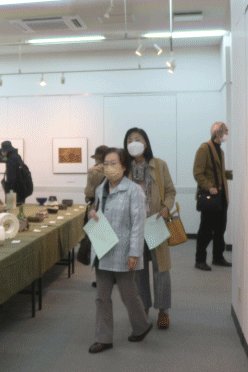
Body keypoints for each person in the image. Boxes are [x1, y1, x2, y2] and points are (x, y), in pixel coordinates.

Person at [87, 147, 152, 354]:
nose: (108, 167)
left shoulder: (134, 190)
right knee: (102, 297)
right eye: (105, 164)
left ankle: (141, 326)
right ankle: (103, 338)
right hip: (103, 247)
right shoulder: (101, 189)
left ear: (123, 166)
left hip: (124, 251)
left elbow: (138, 225)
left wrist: (134, 253)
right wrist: (93, 214)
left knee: (128, 295)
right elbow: (98, 211)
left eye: (113, 163)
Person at [124, 128, 176, 329]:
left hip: (155, 222)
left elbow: (170, 191)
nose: (133, 143)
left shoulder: (159, 165)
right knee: (139, 269)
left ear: (145, 143)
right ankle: (143, 307)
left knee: (161, 269)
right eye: (129, 140)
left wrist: (166, 207)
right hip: (134, 225)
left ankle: (163, 310)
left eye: (137, 139)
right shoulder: (124, 168)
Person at [193, 122, 232, 270]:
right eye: (225, 131)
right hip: (210, 198)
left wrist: (231, 174)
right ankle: (200, 260)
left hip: (222, 197)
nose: (227, 134)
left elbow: (218, 172)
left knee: (220, 229)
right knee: (206, 230)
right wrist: (209, 187)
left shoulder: (220, 151)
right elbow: (198, 173)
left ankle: (218, 257)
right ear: (217, 133)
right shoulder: (204, 148)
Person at [1, 140, 30, 204]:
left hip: (13, 191)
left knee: (10, 208)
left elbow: (11, 177)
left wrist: (8, 190)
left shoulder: (10, 159)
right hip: (21, 190)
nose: (2, 153)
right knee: (20, 207)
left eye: (3, 151)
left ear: (5, 151)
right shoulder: (17, 156)